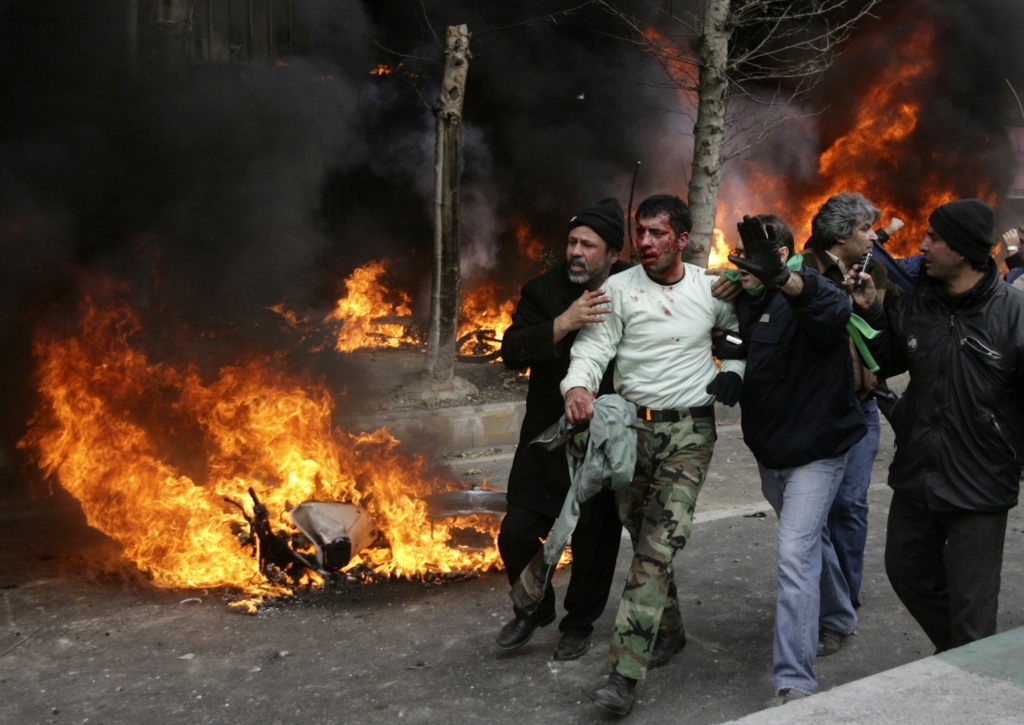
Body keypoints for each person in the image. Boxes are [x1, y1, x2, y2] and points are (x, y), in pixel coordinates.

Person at [560, 194, 745, 715]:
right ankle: (670, 631)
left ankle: (623, 674)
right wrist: (578, 389)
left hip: (689, 434)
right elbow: (593, 349)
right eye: (640, 232)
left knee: (656, 548)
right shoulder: (616, 289)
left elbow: (736, 339)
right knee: (646, 539)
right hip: (628, 436)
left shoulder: (711, 287)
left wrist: (735, 371)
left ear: (682, 240)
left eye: (657, 233)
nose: (643, 242)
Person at [851, 198, 1024, 653]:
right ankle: (964, 657)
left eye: (934, 237)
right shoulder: (917, 305)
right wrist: (869, 309)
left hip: (979, 486)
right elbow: (887, 361)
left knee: (972, 608)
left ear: (965, 251)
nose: (923, 244)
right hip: (918, 477)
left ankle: (973, 681)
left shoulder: (1015, 315)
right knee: (906, 571)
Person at [728, 214, 866, 707]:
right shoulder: (744, 302)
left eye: (753, 255)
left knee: (794, 555)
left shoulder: (814, 292)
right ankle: (841, 615)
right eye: (737, 253)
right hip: (771, 453)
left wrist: (784, 278)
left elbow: (829, 311)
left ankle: (794, 681)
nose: (739, 262)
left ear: (782, 256)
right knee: (811, 541)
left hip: (817, 453)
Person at [496, 198, 630, 660]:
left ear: (612, 254)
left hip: (606, 441)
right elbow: (512, 351)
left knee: (594, 540)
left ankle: (579, 624)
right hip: (547, 438)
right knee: (515, 532)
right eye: (572, 242)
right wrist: (564, 322)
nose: (575, 251)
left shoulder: (633, 286)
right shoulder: (542, 291)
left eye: (587, 245)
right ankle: (533, 609)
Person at [802, 194, 903, 651]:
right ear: (841, 235)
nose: (873, 237)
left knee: (850, 507)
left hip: (862, 406)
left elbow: (890, 341)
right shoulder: (801, 273)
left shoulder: (876, 272)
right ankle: (828, 602)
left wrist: (870, 308)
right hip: (816, 411)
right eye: (866, 230)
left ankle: (844, 605)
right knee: (813, 515)